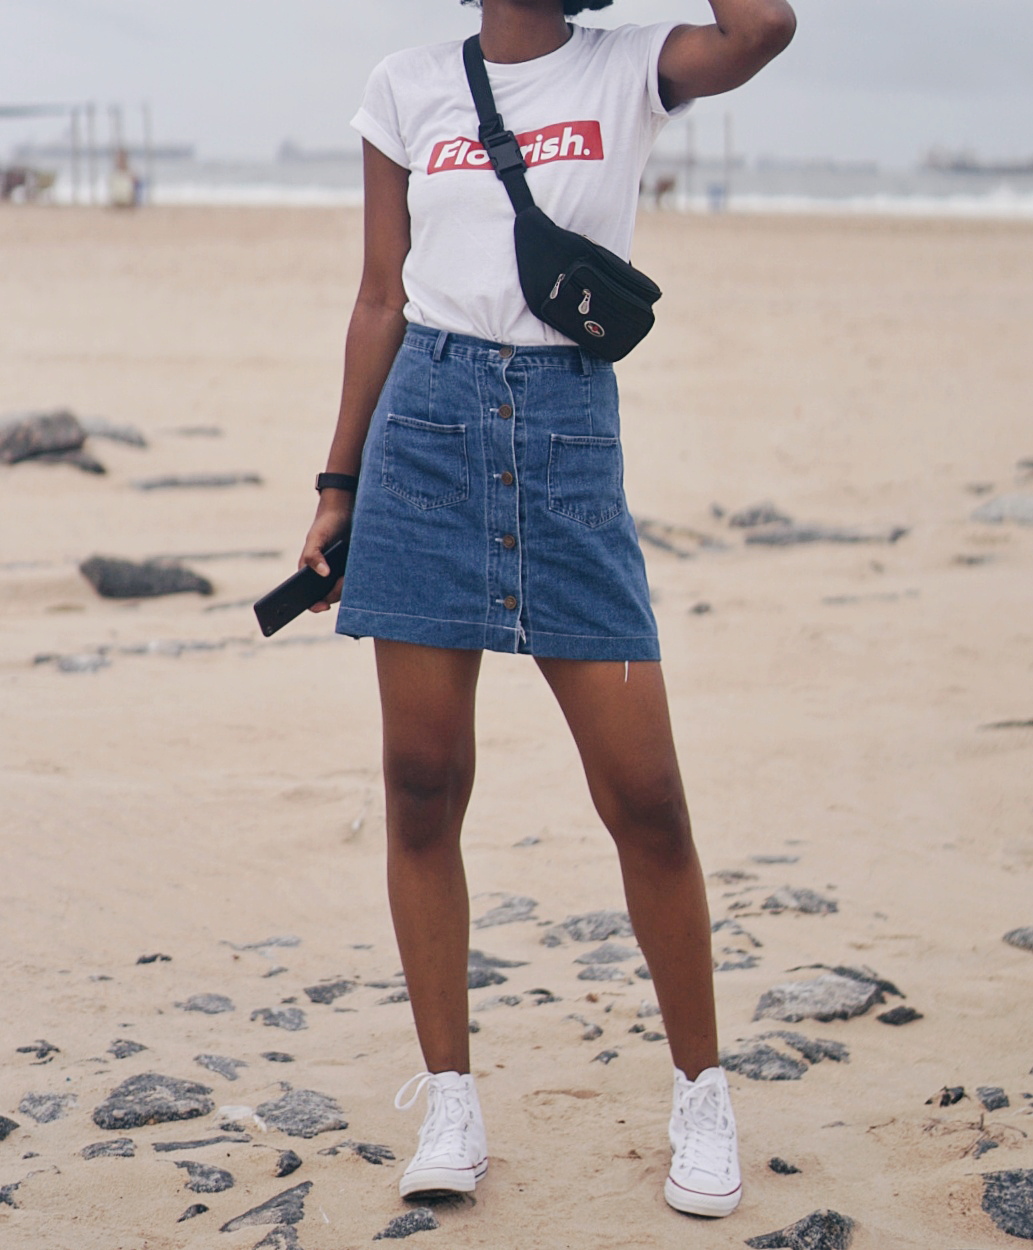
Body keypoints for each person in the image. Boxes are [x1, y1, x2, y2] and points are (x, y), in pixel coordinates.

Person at [300, 0, 795, 1219]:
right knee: (421, 780)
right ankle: (451, 1096)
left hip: (568, 440)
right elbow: (378, 299)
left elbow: (766, 24)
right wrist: (335, 482)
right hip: (421, 437)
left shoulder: (631, 67)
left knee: (647, 796)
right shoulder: (406, 86)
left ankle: (701, 1093)